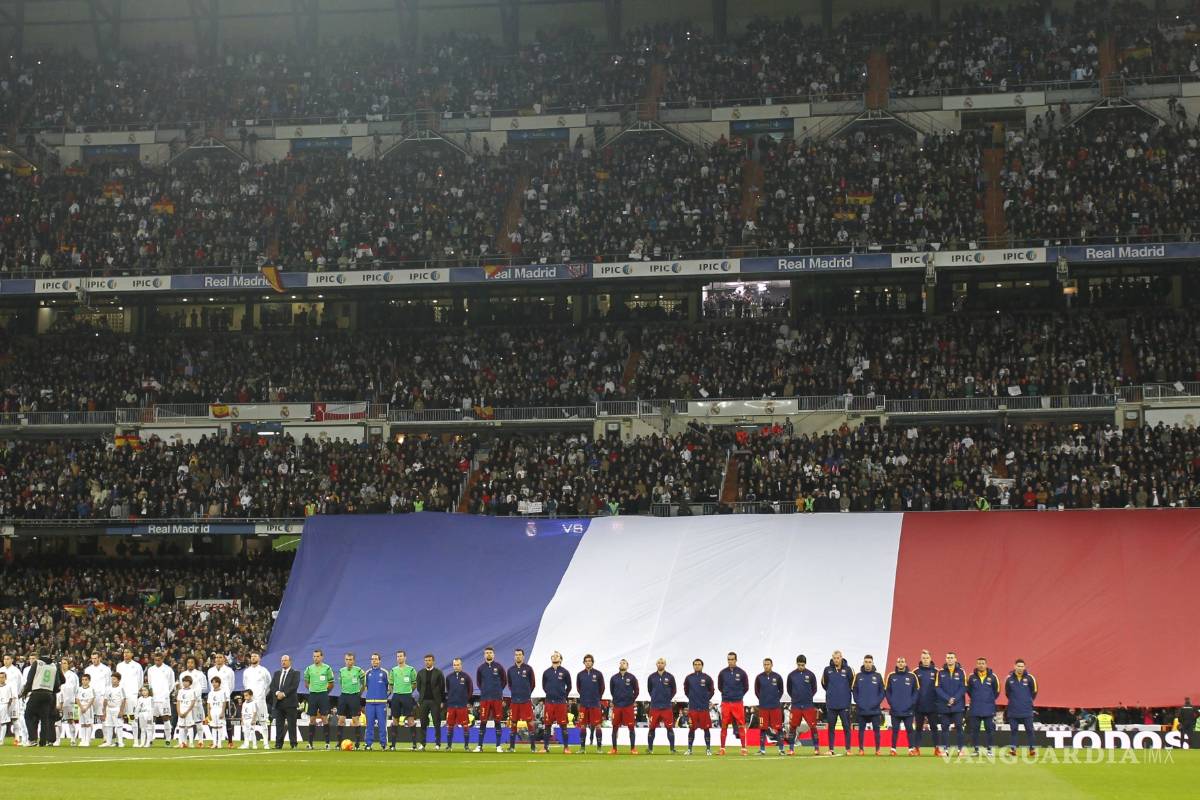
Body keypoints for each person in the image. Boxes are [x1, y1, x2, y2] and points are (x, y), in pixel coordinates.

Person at [21, 654, 64, 746]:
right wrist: (53, 690)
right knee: (45, 719)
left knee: (28, 715)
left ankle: (32, 739)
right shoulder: (54, 665)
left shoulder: (38, 663)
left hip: (36, 693)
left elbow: (29, 680)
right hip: (49, 695)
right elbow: (60, 681)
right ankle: (43, 742)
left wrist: (24, 693)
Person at [474, 646, 507, 753]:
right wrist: (485, 690)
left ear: (493, 654)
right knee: (483, 722)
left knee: (497, 721)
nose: (488, 654)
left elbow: (504, 681)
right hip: (485, 699)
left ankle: (498, 746)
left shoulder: (499, 667)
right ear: (484, 655)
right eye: (486, 653)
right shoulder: (480, 668)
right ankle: (479, 746)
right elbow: (479, 683)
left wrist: (497, 690)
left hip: (497, 698)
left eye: (490, 653)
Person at [884, 656, 919, 755]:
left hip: (908, 709)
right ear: (896, 663)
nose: (900, 663)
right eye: (899, 661)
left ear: (905, 663)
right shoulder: (891, 676)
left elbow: (916, 691)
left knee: (909, 730)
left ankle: (911, 749)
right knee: (895, 730)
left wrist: (911, 702)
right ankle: (893, 749)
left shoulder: (912, 676)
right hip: (895, 709)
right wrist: (891, 702)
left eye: (902, 661)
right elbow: (887, 691)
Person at [822, 650, 854, 756]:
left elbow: (851, 684)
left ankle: (848, 749)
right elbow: (824, 684)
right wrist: (832, 693)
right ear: (832, 658)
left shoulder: (848, 670)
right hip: (831, 704)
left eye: (838, 658)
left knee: (846, 727)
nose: (836, 660)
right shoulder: (827, 670)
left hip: (844, 704)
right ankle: (831, 749)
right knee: (831, 727)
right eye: (834, 658)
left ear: (841, 658)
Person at [785, 655, 819, 755]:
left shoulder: (811, 675)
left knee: (813, 726)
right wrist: (796, 698)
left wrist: (807, 698)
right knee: (792, 727)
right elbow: (789, 689)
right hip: (796, 705)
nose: (801, 667)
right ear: (796, 663)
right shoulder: (791, 675)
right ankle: (791, 749)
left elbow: (814, 689)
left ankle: (816, 748)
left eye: (802, 665)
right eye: (799, 665)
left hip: (808, 705)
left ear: (805, 664)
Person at [717, 651, 749, 756]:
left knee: (741, 725)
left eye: (732, 659)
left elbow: (746, 687)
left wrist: (738, 695)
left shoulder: (742, 673)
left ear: (736, 660)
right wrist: (727, 694)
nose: (730, 661)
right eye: (728, 659)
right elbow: (720, 687)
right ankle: (722, 748)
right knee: (724, 725)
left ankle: (744, 749)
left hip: (737, 703)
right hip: (726, 702)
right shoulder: (722, 673)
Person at [1004, 659, 1038, 756]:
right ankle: (1013, 749)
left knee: (1030, 730)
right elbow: (1007, 693)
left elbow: (1034, 692)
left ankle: (1032, 749)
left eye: (1022, 666)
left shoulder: (1030, 678)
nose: (1020, 668)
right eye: (1018, 666)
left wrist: (1027, 701)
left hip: (1026, 710)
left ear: (1024, 667)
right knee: (1013, 730)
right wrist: (1015, 701)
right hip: (1013, 709)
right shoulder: (1009, 679)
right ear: (1014, 666)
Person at [935, 652, 967, 756]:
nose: (950, 659)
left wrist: (955, 698)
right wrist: (947, 698)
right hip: (944, 705)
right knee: (944, 728)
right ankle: (945, 750)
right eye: (948, 657)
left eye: (951, 658)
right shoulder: (940, 672)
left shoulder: (961, 672)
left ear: (955, 659)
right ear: (946, 659)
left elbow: (964, 687)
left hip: (958, 705)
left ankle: (960, 750)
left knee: (959, 727)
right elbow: (937, 687)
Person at [852, 655, 885, 755]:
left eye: (869, 662)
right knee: (861, 730)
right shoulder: (858, 676)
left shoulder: (878, 676)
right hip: (862, 709)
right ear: (863, 663)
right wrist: (859, 702)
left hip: (874, 709)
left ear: (873, 663)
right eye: (866, 662)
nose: (868, 664)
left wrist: (876, 703)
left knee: (877, 730)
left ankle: (878, 749)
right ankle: (861, 749)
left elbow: (882, 692)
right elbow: (854, 691)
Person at [966, 657, 1000, 756]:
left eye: (983, 663)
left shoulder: (993, 677)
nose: (981, 665)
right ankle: (976, 750)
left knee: (989, 730)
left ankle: (989, 750)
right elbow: (968, 691)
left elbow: (996, 691)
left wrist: (988, 699)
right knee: (975, 730)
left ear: (986, 664)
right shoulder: (971, 677)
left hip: (988, 708)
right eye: (979, 663)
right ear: (977, 665)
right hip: (975, 708)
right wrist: (976, 699)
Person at [303, 649, 335, 750]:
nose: (316, 658)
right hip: (313, 695)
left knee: (324, 718)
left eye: (317, 656)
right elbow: (306, 683)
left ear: (322, 657)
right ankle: (310, 743)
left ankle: (327, 743)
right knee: (312, 719)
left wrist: (324, 692)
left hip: (323, 695)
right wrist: (313, 690)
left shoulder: (327, 668)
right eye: (314, 656)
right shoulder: (308, 669)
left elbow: (331, 683)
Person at [541, 652, 572, 753]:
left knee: (563, 725)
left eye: (557, 655)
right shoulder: (546, 672)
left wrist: (563, 695)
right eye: (553, 655)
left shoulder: (565, 672)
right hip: (549, 702)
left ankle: (566, 747)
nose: (555, 657)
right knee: (547, 725)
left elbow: (569, 686)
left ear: (561, 659)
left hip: (561, 702)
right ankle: (545, 747)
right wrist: (550, 693)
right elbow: (544, 686)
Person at [507, 649, 537, 753]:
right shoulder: (510, 670)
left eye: (520, 655)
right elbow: (509, 684)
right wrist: (516, 693)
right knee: (513, 724)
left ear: (523, 656)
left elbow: (532, 684)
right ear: (514, 656)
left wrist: (526, 693)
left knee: (530, 723)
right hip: (515, 701)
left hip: (526, 701)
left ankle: (533, 747)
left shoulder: (528, 669)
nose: (518, 656)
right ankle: (511, 747)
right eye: (516, 655)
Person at [754, 658, 786, 756]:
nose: (766, 666)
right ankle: (762, 750)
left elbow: (781, 690)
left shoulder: (777, 677)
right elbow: (757, 691)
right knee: (763, 728)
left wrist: (775, 699)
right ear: (763, 665)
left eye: (768, 664)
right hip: (763, 707)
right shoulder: (759, 677)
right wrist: (763, 700)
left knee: (779, 728)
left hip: (775, 707)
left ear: (772, 665)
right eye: (765, 664)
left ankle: (781, 749)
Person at [414, 653, 446, 750]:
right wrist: (421, 698)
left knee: (437, 722)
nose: (427, 662)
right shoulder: (420, 673)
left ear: (433, 661)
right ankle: (423, 744)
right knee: (423, 722)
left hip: (435, 701)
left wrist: (441, 701)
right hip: (424, 701)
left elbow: (442, 687)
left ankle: (437, 744)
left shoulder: (438, 673)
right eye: (426, 660)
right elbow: (419, 687)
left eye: (429, 660)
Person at [683, 658, 714, 756]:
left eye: (699, 664)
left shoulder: (707, 678)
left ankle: (708, 749)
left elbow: (712, 691)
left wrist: (705, 699)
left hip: (704, 708)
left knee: (706, 729)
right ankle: (689, 749)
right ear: (693, 666)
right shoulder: (689, 678)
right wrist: (692, 698)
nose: (697, 666)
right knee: (691, 729)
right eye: (695, 664)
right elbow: (686, 691)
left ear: (702, 666)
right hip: (693, 708)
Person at [388, 650, 418, 751]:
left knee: (410, 720)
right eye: (397, 656)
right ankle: (393, 745)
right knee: (395, 720)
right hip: (396, 697)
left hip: (407, 696)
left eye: (401, 656)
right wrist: (394, 693)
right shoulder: (393, 670)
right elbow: (391, 684)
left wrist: (408, 691)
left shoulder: (411, 670)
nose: (399, 658)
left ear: (405, 657)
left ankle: (414, 745)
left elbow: (414, 683)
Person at [608, 659, 639, 755]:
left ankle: (633, 748)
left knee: (631, 727)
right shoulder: (614, 678)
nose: (622, 664)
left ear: (627, 666)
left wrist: (631, 700)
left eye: (624, 663)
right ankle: (614, 749)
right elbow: (612, 691)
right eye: (621, 663)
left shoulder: (632, 677)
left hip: (628, 706)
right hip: (617, 706)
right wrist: (616, 700)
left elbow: (636, 691)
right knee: (614, 727)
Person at [647, 657, 677, 755]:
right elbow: (650, 690)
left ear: (665, 664)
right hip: (654, 707)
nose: (660, 664)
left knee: (669, 728)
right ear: (656, 664)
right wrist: (655, 698)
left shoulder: (670, 677)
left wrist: (667, 698)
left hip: (666, 707)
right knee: (651, 728)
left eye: (662, 663)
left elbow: (674, 690)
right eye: (659, 663)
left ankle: (672, 749)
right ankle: (650, 749)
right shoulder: (651, 677)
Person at [241, 653, 272, 747]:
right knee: (247, 722)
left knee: (263, 721)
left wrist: (262, 695)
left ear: (259, 659)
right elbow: (245, 685)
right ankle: (246, 743)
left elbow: (268, 684)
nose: (253, 658)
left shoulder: (264, 670)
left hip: (260, 700)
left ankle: (266, 743)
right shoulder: (246, 671)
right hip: (249, 702)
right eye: (252, 656)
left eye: (255, 656)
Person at [270, 654, 301, 749]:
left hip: (290, 702)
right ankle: (278, 744)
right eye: (282, 660)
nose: (283, 662)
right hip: (278, 703)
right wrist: (277, 692)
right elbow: (272, 686)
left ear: (290, 661)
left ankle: (293, 744)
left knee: (292, 724)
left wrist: (283, 694)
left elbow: (294, 686)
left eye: (285, 660)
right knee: (279, 725)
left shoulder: (295, 673)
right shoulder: (277, 673)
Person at [336, 652, 365, 749]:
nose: (349, 662)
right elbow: (341, 683)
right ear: (345, 660)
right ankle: (338, 743)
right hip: (344, 696)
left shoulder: (359, 671)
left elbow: (364, 684)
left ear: (354, 661)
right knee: (341, 720)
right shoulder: (341, 671)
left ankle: (357, 744)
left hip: (354, 696)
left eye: (350, 659)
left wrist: (358, 694)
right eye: (347, 659)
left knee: (355, 720)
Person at [576, 654, 605, 753]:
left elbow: (602, 688)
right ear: (584, 662)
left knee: (597, 726)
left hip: (595, 704)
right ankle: (582, 748)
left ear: (592, 662)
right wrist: (584, 697)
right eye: (586, 661)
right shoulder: (580, 674)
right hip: (584, 704)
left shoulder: (598, 674)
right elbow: (578, 688)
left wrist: (597, 698)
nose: (588, 662)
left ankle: (599, 748)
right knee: (583, 725)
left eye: (590, 661)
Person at [146, 652, 175, 748]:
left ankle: (168, 739)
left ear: (163, 659)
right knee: (151, 719)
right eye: (155, 660)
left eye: (159, 660)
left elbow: (172, 684)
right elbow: (150, 684)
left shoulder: (168, 669)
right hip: (154, 698)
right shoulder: (151, 669)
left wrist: (167, 693)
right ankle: (150, 740)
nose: (157, 661)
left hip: (164, 698)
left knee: (165, 718)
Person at [912, 650, 938, 754]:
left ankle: (936, 749)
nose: (925, 660)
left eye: (927, 658)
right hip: (919, 705)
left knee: (934, 728)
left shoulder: (936, 672)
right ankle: (916, 749)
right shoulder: (915, 672)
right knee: (918, 728)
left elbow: (939, 688)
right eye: (923, 658)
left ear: (930, 659)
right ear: (921, 659)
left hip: (933, 705)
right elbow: (912, 689)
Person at [445, 658, 474, 751]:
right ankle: (449, 746)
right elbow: (448, 690)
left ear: (461, 665)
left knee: (465, 726)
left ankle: (466, 746)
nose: (456, 666)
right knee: (450, 726)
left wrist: (465, 700)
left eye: (458, 665)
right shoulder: (449, 677)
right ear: (453, 666)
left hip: (462, 706)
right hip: (451, 706)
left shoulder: (466, 677)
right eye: (454, 665)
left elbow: (470, 690)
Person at [362, 653, 390, 751]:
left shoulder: (385, 672)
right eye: (372, 659)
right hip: (369, 703)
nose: (374, 661)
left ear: (379, 661)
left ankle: (383, 744)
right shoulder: (367, 673)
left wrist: (384, 697)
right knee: (369, 724)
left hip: (381, 703)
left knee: (382, 724)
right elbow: (366, 687)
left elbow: (389, 688)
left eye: (376, 659)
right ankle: (368, 744)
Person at [207, 653, 235, 746]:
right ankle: (215, 741)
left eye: (220, 657)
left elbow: (232, 685)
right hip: (214, 698)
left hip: (224, 697)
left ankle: (230, 741)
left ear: (224, 659)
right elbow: (209, 684)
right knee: (213, 718)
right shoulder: (210, 670)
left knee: (226, 719)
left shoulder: (229, 670)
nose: (218, 659)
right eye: (216, 658)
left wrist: (226, 695)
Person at [179, 656, 208, 744]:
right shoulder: (182, 674)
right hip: (185, 703)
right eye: (188, 662)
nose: (190, 664)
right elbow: (182, 687)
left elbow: (204, 687)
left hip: (196, 702)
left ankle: (200, 741)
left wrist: (195, 695)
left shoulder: (200, 674)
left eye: (192, 662)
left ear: (195, 663)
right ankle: (183, 742)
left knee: (198, 723)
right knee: (184, 724)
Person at [2, 655, 27, 745]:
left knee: (15, 718)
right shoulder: (1, 670)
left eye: (8, 659)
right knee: (1, 720)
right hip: (2, 699)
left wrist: (18, 694)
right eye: (4, 659)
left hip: (13, 699)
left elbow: (22, 684)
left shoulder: (16, 671)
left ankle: (17, 738)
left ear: (12, 660)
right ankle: (1, 739)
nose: (6, 660)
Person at [100, 674, 126, 748]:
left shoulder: (121, 689)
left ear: (119, 680)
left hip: (116, 708)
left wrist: (121, 711)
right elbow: (105, 699)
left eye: (114, 679)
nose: (112, 681)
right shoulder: (108, 688)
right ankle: (108, 742)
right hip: (109, 708)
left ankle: (120, 742)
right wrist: (104, 710)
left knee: (119, 726)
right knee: (109, 726)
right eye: (112, 679)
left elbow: (124, 700)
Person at [58, 657, 79, 746]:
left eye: (65, 663)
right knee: (57, 721)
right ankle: (57, 739)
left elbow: (77, 688)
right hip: (59, 700)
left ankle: (73, 739)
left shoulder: (73, 675)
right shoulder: (57, 675)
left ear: (68, 664)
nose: (63, 665)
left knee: (70, 720)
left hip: (69, 700)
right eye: (62, 663)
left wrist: (75, 699)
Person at [176, 675, 198, 748]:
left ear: (190, 682)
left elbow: (192, 703)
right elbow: (178, 702)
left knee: (189, 726)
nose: (185, 683)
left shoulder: (192, 691)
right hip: (181, 711)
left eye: (186, 681)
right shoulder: (180, 691)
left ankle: (191, 743)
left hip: (188, 711)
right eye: (184, 681)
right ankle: (181, 743)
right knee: (181, 726)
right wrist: (179, 712)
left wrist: (187, 712)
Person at [208, 676, 230, 749]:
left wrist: (222, 712)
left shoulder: (222, 692)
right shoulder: (210, 693)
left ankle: (219, 743)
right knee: (214, 727)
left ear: (219, 683)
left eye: (216, 682)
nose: (214, 684)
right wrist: (208, 713)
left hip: (219, 710)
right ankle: (214, 743)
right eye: (213, 682)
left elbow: (224, 703)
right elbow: (208, 703)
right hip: (213, 711)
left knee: (220, 727)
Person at [77, 674, 96, 747]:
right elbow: (77, 699)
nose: (84, 681)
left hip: (88, 708)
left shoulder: (91, 689)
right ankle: (83, 740)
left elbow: (92, 699)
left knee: (88, 724)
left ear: (89, 681)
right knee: (82, 724)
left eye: (86, 680)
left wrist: (86, 707)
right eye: (83, 680)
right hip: (81, 707)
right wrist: (81, 707)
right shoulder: (79, 689)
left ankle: (87, 740)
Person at [0, 671, 17, 745]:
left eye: (2, 677)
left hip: (4, 704)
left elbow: (11, 698)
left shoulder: (9, 687)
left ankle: (1, 740)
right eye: (0, 677)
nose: (1, 679)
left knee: (3, 723)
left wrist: (8, 706)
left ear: (5, 678)